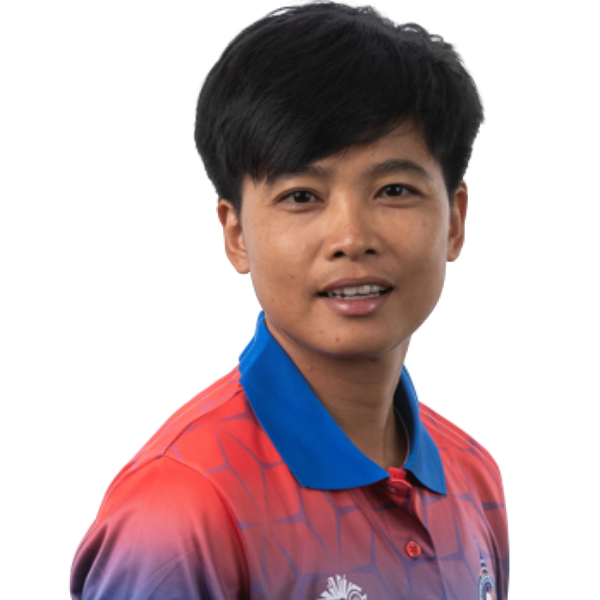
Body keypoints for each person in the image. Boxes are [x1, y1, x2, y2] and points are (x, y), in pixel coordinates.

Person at [69, 1, 509, 598]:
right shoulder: (181, 506)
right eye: (302, 196)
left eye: (394, 189)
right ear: (236, 234)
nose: (352, 238)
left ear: (455, 220)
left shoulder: (473, 475)